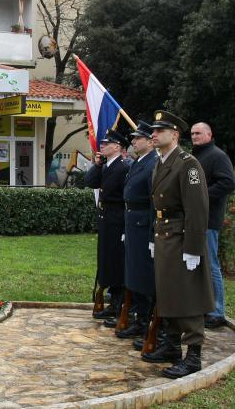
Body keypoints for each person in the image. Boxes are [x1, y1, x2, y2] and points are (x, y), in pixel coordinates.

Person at [141, 111, 214, 379]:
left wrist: (194, 247)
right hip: (164, 237)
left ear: (175, 134)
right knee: (168, 293)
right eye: (154, 130)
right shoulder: (161, 162)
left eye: (160, 130)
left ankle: (193, 355)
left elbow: (197, 209)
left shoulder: (188, 164)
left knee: (188, 295)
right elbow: (157, 206)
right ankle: (171, 345)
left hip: (182, 238)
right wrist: (153, 236)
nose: (154, 134)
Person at [191, 121, 235, 329]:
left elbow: (228, 183)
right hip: (193, 219)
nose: (194, 136)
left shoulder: (217, 156)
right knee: (197, 264)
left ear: (209, 134)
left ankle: (217, 311)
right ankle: (202, 306)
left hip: (209, 220)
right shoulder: (195, 157)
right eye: (192, 133)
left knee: (210, 265)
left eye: (199, 133)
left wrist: (201, 197)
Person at [84, 129, 129, 325]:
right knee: (106, 260)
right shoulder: (106, 165)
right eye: (102, 143)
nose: (102, 146)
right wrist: (97, 165)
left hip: (117, 219)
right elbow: (90, 182)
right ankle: (113, 300)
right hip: (106, 218)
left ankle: (119, 304)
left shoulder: (123, 166)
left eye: (107, 144)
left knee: (116, 261)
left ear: (118, 147)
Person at [118, 121, 158, 344]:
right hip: (132, 222)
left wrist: (152, 233)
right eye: (132, 139)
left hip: (144, 224)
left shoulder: (153, 164)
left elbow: (155, 201)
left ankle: (148, 322)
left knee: (144, 275)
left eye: (137, 138)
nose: (133, 142)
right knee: (133, 273)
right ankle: (139, 319)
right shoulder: (137, 163)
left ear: (150, 142)